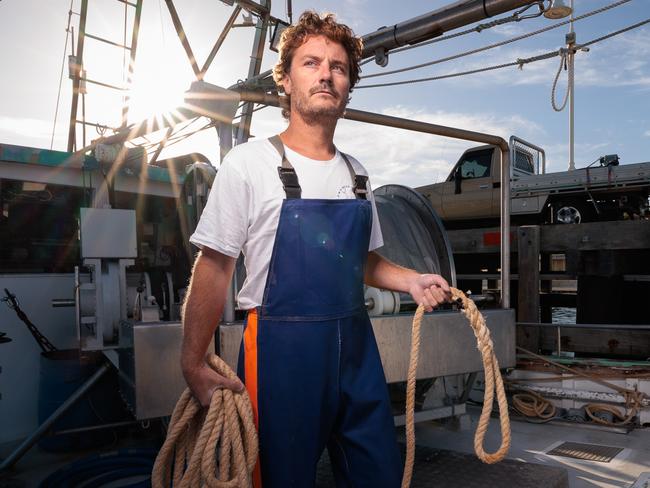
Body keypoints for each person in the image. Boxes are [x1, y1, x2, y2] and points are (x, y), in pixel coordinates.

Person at [181, 11, 452, 488]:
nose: (326, 74)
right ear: (285, 80)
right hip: (279, 353)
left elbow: (362, 261)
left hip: (357, 352)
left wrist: (411, 279)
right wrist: (193, 362)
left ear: (348, 86)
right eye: (311, 63)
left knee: (379, 475)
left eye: (339, 66)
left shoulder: (357, 173)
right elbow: (216, 265)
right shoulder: (250, 164)